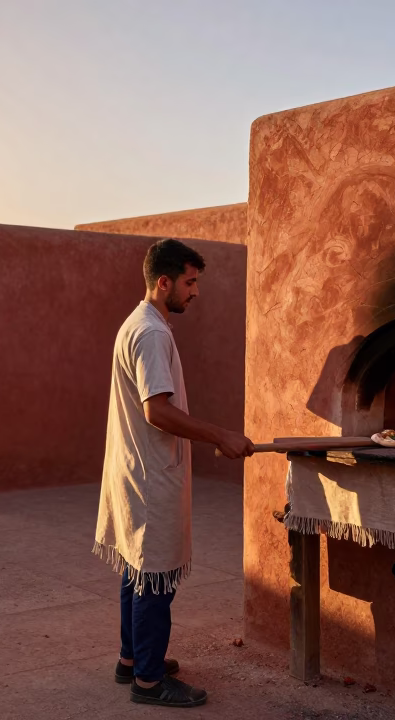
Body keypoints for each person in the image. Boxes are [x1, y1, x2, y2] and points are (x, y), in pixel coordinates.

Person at [93, 238, 254, 708]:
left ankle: (131, 660)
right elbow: (157, 411)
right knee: (155, 578)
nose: (195, 291)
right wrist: (220, 434)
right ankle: (148, 682)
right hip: (150, 478)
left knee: (137, 570)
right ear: (163, 282)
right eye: (190, 281)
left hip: (137, 470)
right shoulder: (151, 333)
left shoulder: (139, 323)